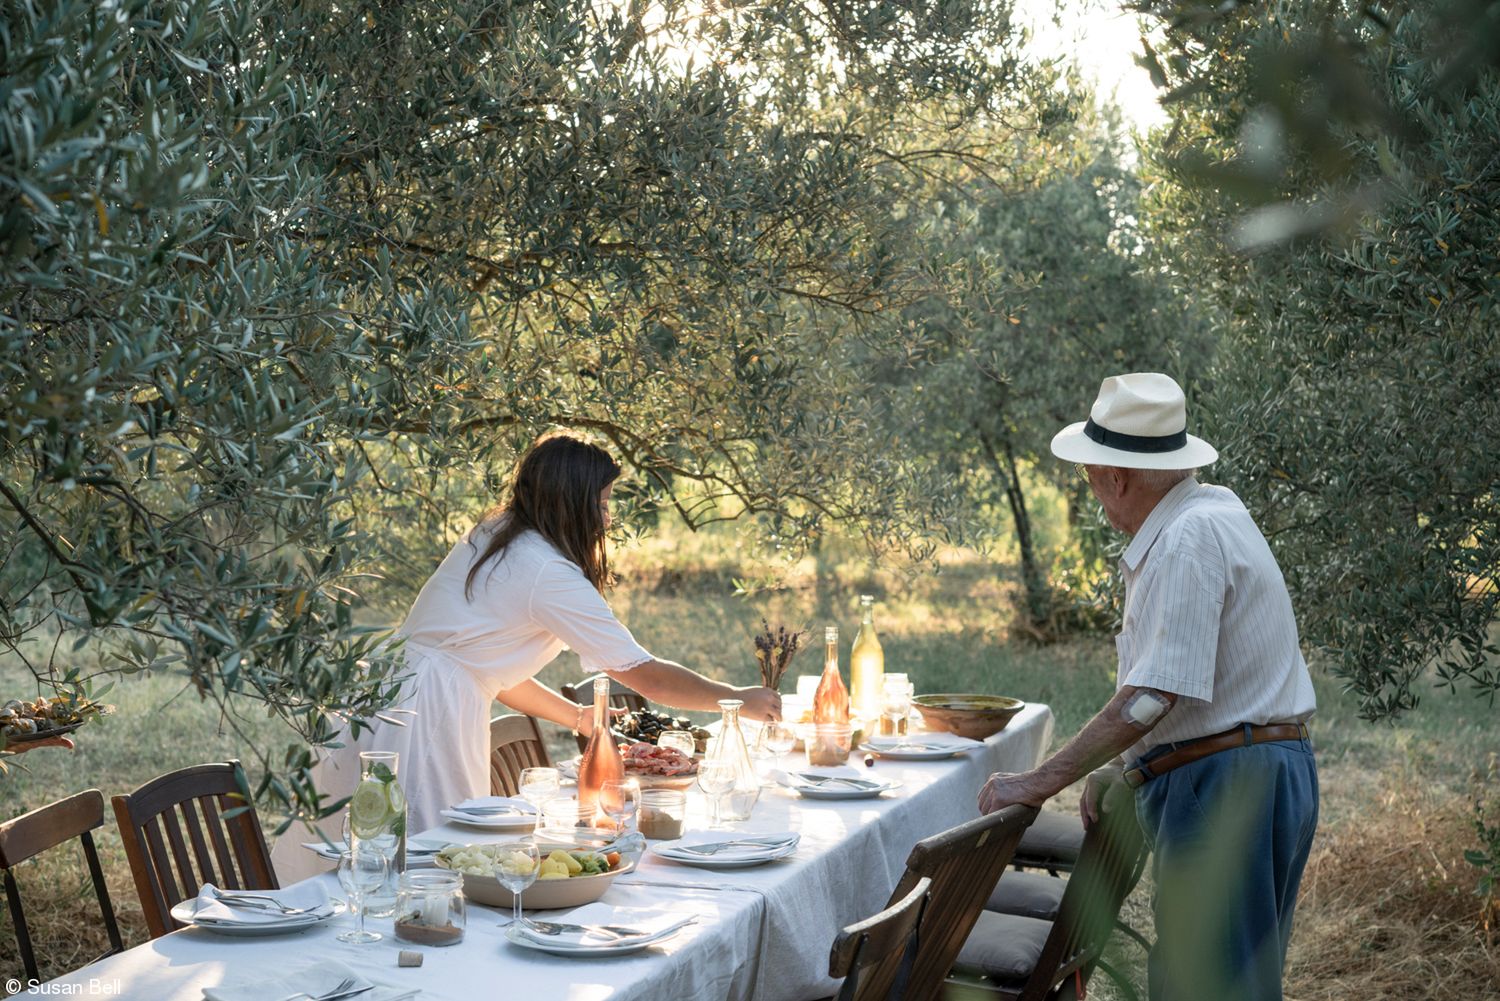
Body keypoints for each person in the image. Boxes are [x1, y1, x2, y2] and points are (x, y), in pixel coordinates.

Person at [273, 432, 780, 881]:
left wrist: (577, 717)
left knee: (366, 859)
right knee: (430, 866)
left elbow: (487, 670)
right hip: (425, 715)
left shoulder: (496, 536)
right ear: (571, 502)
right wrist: (737, 698)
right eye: (602, 503)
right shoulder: (545, 570)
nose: (608, 518)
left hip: (387, 694)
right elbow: (647, 677)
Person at [977, 373, 1318, 1001]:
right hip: (1262, 768)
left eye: (1089, 477)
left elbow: (1154, 695)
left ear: (1117, 477)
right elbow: (1191, 682)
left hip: (1226, 783)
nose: (1094, 494)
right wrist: (1125, 766)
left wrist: (1039, 781)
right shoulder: (1213, 510)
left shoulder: (1186, 539)